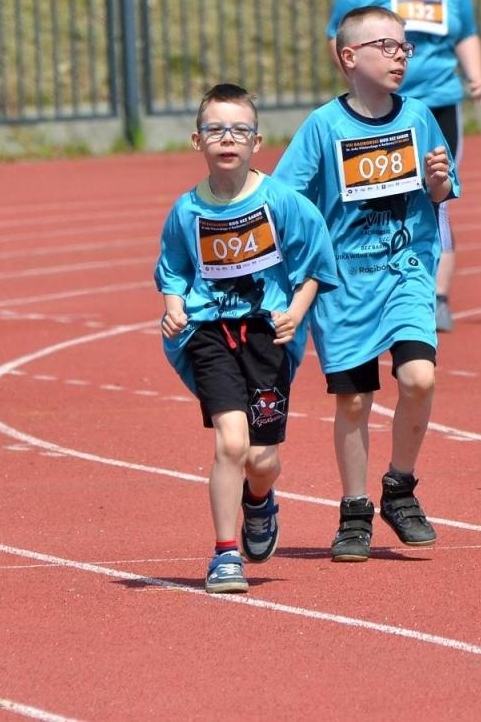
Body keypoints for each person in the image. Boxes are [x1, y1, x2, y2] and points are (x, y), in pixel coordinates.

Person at [277, 5, 458, 562]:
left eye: (405, 47)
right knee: (355, 401)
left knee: (420, 378)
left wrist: (437, 182)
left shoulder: (420, 116)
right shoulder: (324, 126)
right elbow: (286, 199)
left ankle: (399, 488)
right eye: (387, 46)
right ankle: (354, 507)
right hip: (346, 287)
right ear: (350, 57)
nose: (400, 56)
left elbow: (442, 190)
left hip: (405, 272)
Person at [155, 83, 338, 594]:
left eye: (239, 129)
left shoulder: (282, 202)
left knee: (262, 459)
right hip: (209, 334)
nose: (227, 138)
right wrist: (173, 309)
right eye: (215, 129)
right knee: (230, 442)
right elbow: (172, 269)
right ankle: (224, 553)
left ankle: (259, 501)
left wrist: (295, 314)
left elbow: (316, 265)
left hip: (266, 335)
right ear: (198, 141)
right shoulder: (186, 211)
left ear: (257, 141)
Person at [327, 0, 481, 332]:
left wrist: (476, 78)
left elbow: (466, 34)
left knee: (438, 196)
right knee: (373, 199)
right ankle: (369, 287)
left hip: (435, 105)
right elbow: (335, 36)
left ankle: (437, 296)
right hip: (377, 112)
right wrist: (357, 86)